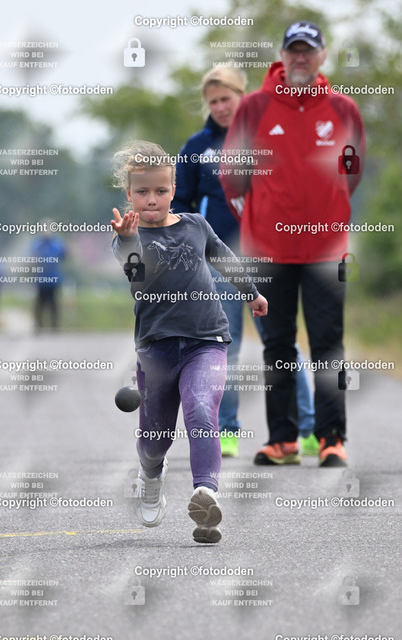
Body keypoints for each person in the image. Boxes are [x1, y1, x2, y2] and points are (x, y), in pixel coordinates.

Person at [220, 21, 365, 467]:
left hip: (326, 251)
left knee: (328, 345)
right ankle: (282, 440)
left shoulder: (342, 108)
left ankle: (331, 439)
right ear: (282, 56)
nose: (300, 57)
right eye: (293, 50)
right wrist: (261, 222)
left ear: (322, 56)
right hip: (269, 251)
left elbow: (352, 172)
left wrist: (328, 212)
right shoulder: (254, 107)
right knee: (277, 345)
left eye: (308, 50)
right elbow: (232, 176)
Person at [110, 141, 268, 543]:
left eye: (160, 190)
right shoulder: (129, 238)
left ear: (173, 189)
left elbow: (224, 257)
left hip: (206, 340)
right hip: (156, 349)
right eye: (142, 192)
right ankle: (150, 476)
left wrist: (251, 293)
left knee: (201, 408)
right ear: (129, 194)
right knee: (155, 441)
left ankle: (206, 494)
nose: (152, 199)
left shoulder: (196, 225)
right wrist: (127, 241)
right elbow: (137, 280)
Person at [172, 66, 316, 458]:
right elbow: (180, 203)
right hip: (218, 261)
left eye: (227, 98)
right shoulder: (197, 147)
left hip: (267, 257)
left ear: (242, 96)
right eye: (213, 101)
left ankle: (308, 428)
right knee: (226, 346)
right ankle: (227, 431)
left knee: (282, 343)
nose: (221, 107)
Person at [29, 223, 66, 330]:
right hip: (41, 279)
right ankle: (39, 325)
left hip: (52, 279)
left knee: (53, 304)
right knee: (40, 304)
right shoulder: (38, 244)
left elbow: (64, 254)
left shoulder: (55, 244)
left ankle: (54, 325)